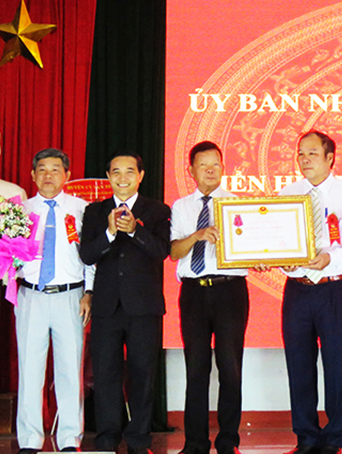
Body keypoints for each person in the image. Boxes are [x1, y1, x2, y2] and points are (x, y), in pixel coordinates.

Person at [79, 153, 171, 454]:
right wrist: (109, 233)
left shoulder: (157, 210)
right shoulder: (94, 212)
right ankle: (107, 438)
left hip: (144, 307)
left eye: (129, 171)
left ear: (140, 176)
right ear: (108, 176)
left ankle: (139, 440)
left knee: (143, 374)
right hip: (106, 307)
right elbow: (87, 255)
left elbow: (161, 251)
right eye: (116, 172)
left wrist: (134, 230)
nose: (122, 178)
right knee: (105, 374)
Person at [278, 131, 342, 454]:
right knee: (298, 364)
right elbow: (279, 240)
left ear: (330, 158)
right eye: (301, 153)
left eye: (312, 153)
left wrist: (330, 258)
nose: (305, 159)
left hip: (334, 288)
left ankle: (334, 437)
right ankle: (306, 437)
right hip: (297, 290)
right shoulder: (288, 193)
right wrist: (279, 259)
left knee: (337, 364)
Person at [170, 141, 249, 454]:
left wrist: (261, 255)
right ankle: (195, 443)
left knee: (230, 367)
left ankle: (228, 441)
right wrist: (198, 235)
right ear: (191, 170)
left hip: (230, 291)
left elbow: (252, 247)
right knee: (196, 368)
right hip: (193, 292)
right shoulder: (181, 207)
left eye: (216, 164)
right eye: (203, 165)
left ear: (223, 168)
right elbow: (174, 251)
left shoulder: (237, 204)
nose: (210, 170)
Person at [15, 148, 94, 453]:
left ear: (67, 176)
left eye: (55, 170)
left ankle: (69, 439)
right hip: (30, 295)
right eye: (42, 170)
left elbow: (91, 257)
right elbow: (7, 254)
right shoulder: (17, 211)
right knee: (30, 370)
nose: (48, 175)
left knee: (70, 370)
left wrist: (89, 292)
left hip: (70, 296)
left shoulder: (82, 210)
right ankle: (29, 440)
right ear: (33, 175)